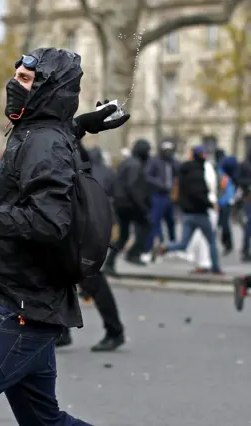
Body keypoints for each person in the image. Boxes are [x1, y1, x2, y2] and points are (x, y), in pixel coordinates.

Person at [0, 48, 129, 425]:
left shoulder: (42, 140)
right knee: (44, 422)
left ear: (47, 91)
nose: (13, 85)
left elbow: (49, 222)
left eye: (25, 80)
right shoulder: (40, 133)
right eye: (15, 75)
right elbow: (50, 142)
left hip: (23, 309)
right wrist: (80, 124)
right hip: (34, 305)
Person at [57, 145, 125, 352]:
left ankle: (114, 331)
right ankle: (62, 331)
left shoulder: (70, 157)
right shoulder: (82, 163)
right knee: (61, 279)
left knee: (92, 280)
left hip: (80, 231)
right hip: (79, 228)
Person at [157, 146, 223, 275]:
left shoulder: (183, 170)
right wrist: (210, 204)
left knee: (184, 242)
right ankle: (215, 268)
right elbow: (201, 192)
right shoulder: (199, 171)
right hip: (201, 213)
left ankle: (166, 247)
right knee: (211, 241)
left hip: (187, 213)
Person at [103, 139, 152, 275]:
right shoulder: (136, 165)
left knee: (123, 236)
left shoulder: (126, 163)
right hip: (130, 204)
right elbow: (133, 187)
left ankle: (109, 263)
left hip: (120, 203)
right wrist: (142, 206)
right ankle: (133, 254)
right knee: (146, 226)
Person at [144, 141, 178, 251]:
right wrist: (160, 184)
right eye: (166, 151)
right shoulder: (155, 161)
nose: (168, 153)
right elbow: (147, 176)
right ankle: (151, 245)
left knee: (171, 221)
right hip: (158, 195)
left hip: (169, 195)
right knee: (155, 220)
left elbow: (178, 174)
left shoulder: (173, 162)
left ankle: (173, 244)